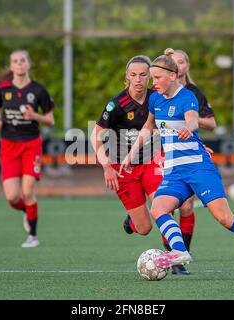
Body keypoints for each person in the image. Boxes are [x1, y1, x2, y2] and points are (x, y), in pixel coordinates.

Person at [120, 50, 234, 281]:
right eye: (152, 78)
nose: (153, 83)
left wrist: (190, 126)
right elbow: (148, 127)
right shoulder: (155, 99)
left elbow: (192, 118)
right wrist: (131, 154)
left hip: (198, 168)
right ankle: (180, 252)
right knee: (158, 209)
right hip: (174, 172)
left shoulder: (187, 96)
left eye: (157, 78)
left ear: (173, 76)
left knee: (225, 219)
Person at [157, 49, 217, 275]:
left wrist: (190, 119)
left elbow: (212, 124)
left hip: (188, 153)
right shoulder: (159, 90)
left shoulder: (193, 93)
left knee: (187, 206)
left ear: (187, 67)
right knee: (163, 206)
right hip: (164, 152)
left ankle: (180, 258)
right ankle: (136, 220)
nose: (178, 65)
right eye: (174, 62)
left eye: (181, 62)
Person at [0, 50, 55, 248]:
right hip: (8, 145)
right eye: (15, 61)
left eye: (23, 60)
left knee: (27, 192)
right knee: (12, 197)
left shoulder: (38, 90)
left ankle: (33, 236)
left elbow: (50, 120)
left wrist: (35, 116)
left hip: (31, 144)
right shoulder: (3, 89)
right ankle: (28, 211)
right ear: (11, 66)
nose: (19, 63)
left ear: (28, 64)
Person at [90, 55, 159, 244]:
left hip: (150, 162)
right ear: (127, 76)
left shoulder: (157, 98)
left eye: (143, 75)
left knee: (165, 208)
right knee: (144, 228)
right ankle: (132, 221)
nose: (138, 79)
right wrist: (106, 167)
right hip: (123, 167)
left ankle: (174, 258)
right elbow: (95, 136)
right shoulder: (116, 104)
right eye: (134, 75)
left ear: (150, 76)